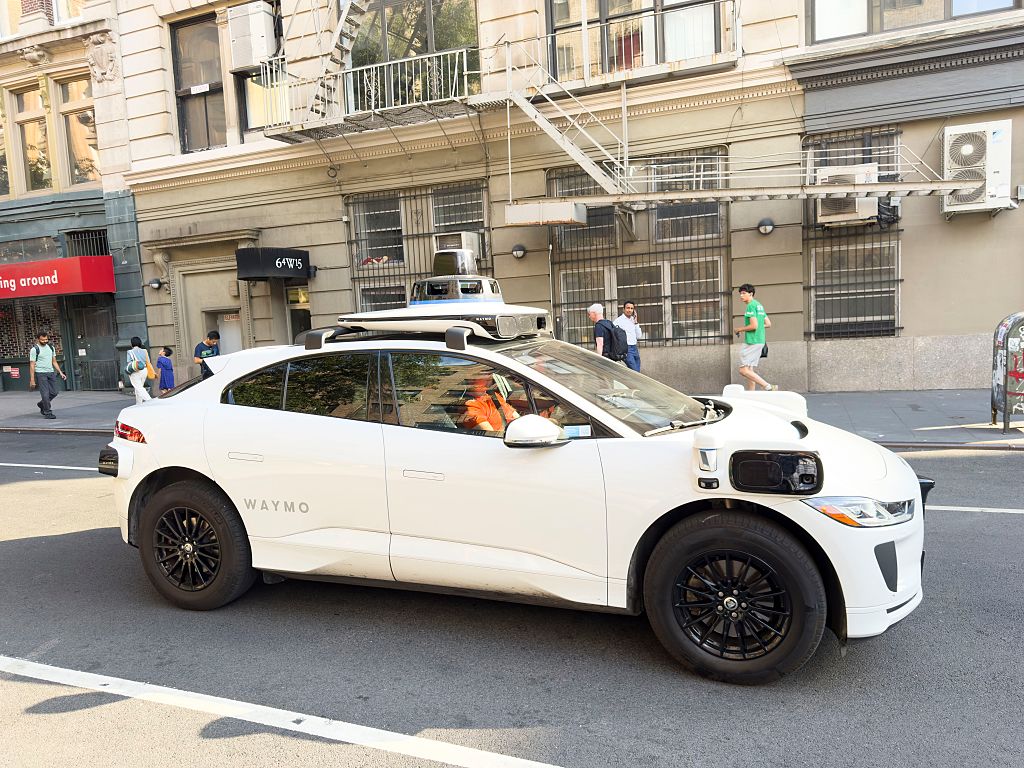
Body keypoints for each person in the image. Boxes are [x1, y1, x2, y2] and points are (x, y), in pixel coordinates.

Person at [734, 283, 775, 391]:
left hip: (752, 341)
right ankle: (751, 394)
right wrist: (758, 326)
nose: (741, 296)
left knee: (743, 370)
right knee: (749, 370)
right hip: (759, 340)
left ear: (751, 294)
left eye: (744, 293)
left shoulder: (751, 306)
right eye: (740, 293)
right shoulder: (759, 305)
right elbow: (768, 324)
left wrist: (739, 329)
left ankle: (768, 387)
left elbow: (754, 326)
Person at [28, 331, 66, 420]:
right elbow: (32, 365)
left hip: (51, 372)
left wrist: (60, 372)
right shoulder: (34, 349)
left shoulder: (51, 348)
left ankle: (42, 404)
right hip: (40, 373)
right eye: (43, 340)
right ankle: (48, 412)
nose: (45, 341)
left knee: (54, 392)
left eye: (46, 339)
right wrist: (32, 380)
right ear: (38, 339)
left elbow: (54, 361)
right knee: (45, 394)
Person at [614, 300, 644, 372]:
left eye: (631, 308)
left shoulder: (633, 320)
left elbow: (639, 336)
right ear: (623, 309)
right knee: (634, 369)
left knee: (637, 370)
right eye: (628, 308)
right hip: (626, 349)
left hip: (634, 348)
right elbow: (614, 335)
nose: (629, 310)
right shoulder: (618, 321)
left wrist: (636, 322)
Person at [126, 337, 153, 405]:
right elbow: (148, 361)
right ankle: (139, 404)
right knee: (139, 387)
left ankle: (150, 400)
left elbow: (129, 363)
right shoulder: (144, 351)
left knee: (139, 387)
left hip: (136, 370)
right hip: (144, 370)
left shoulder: (130, 352)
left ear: (132, 343)